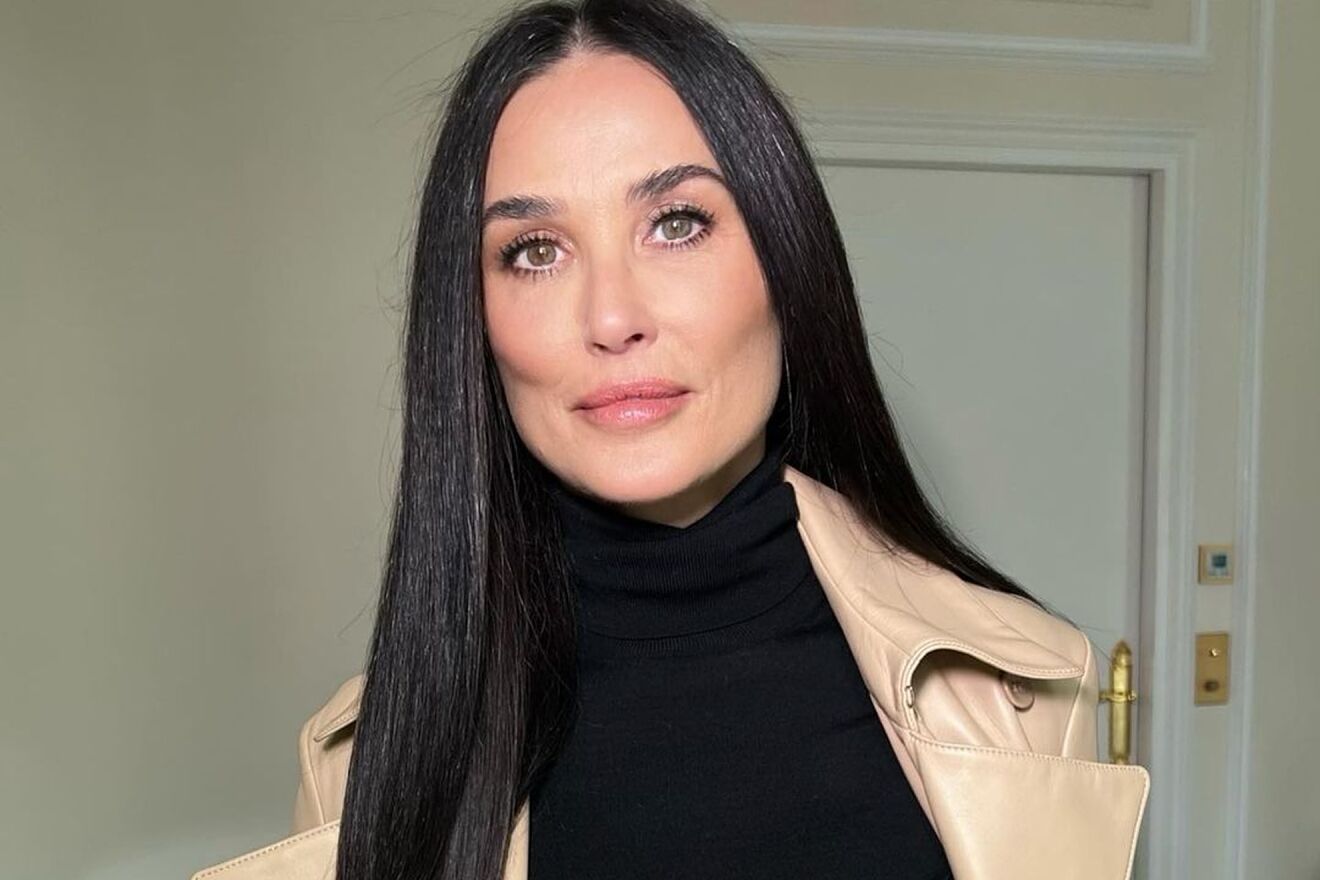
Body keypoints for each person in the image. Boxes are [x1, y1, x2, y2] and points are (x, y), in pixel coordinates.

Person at [190, 1, 1150, 878]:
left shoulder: (1022, 693)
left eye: (677, 223)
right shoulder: (363, 770)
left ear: (786, 262)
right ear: (473, 321)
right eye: (535, 251)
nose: (612, 317)